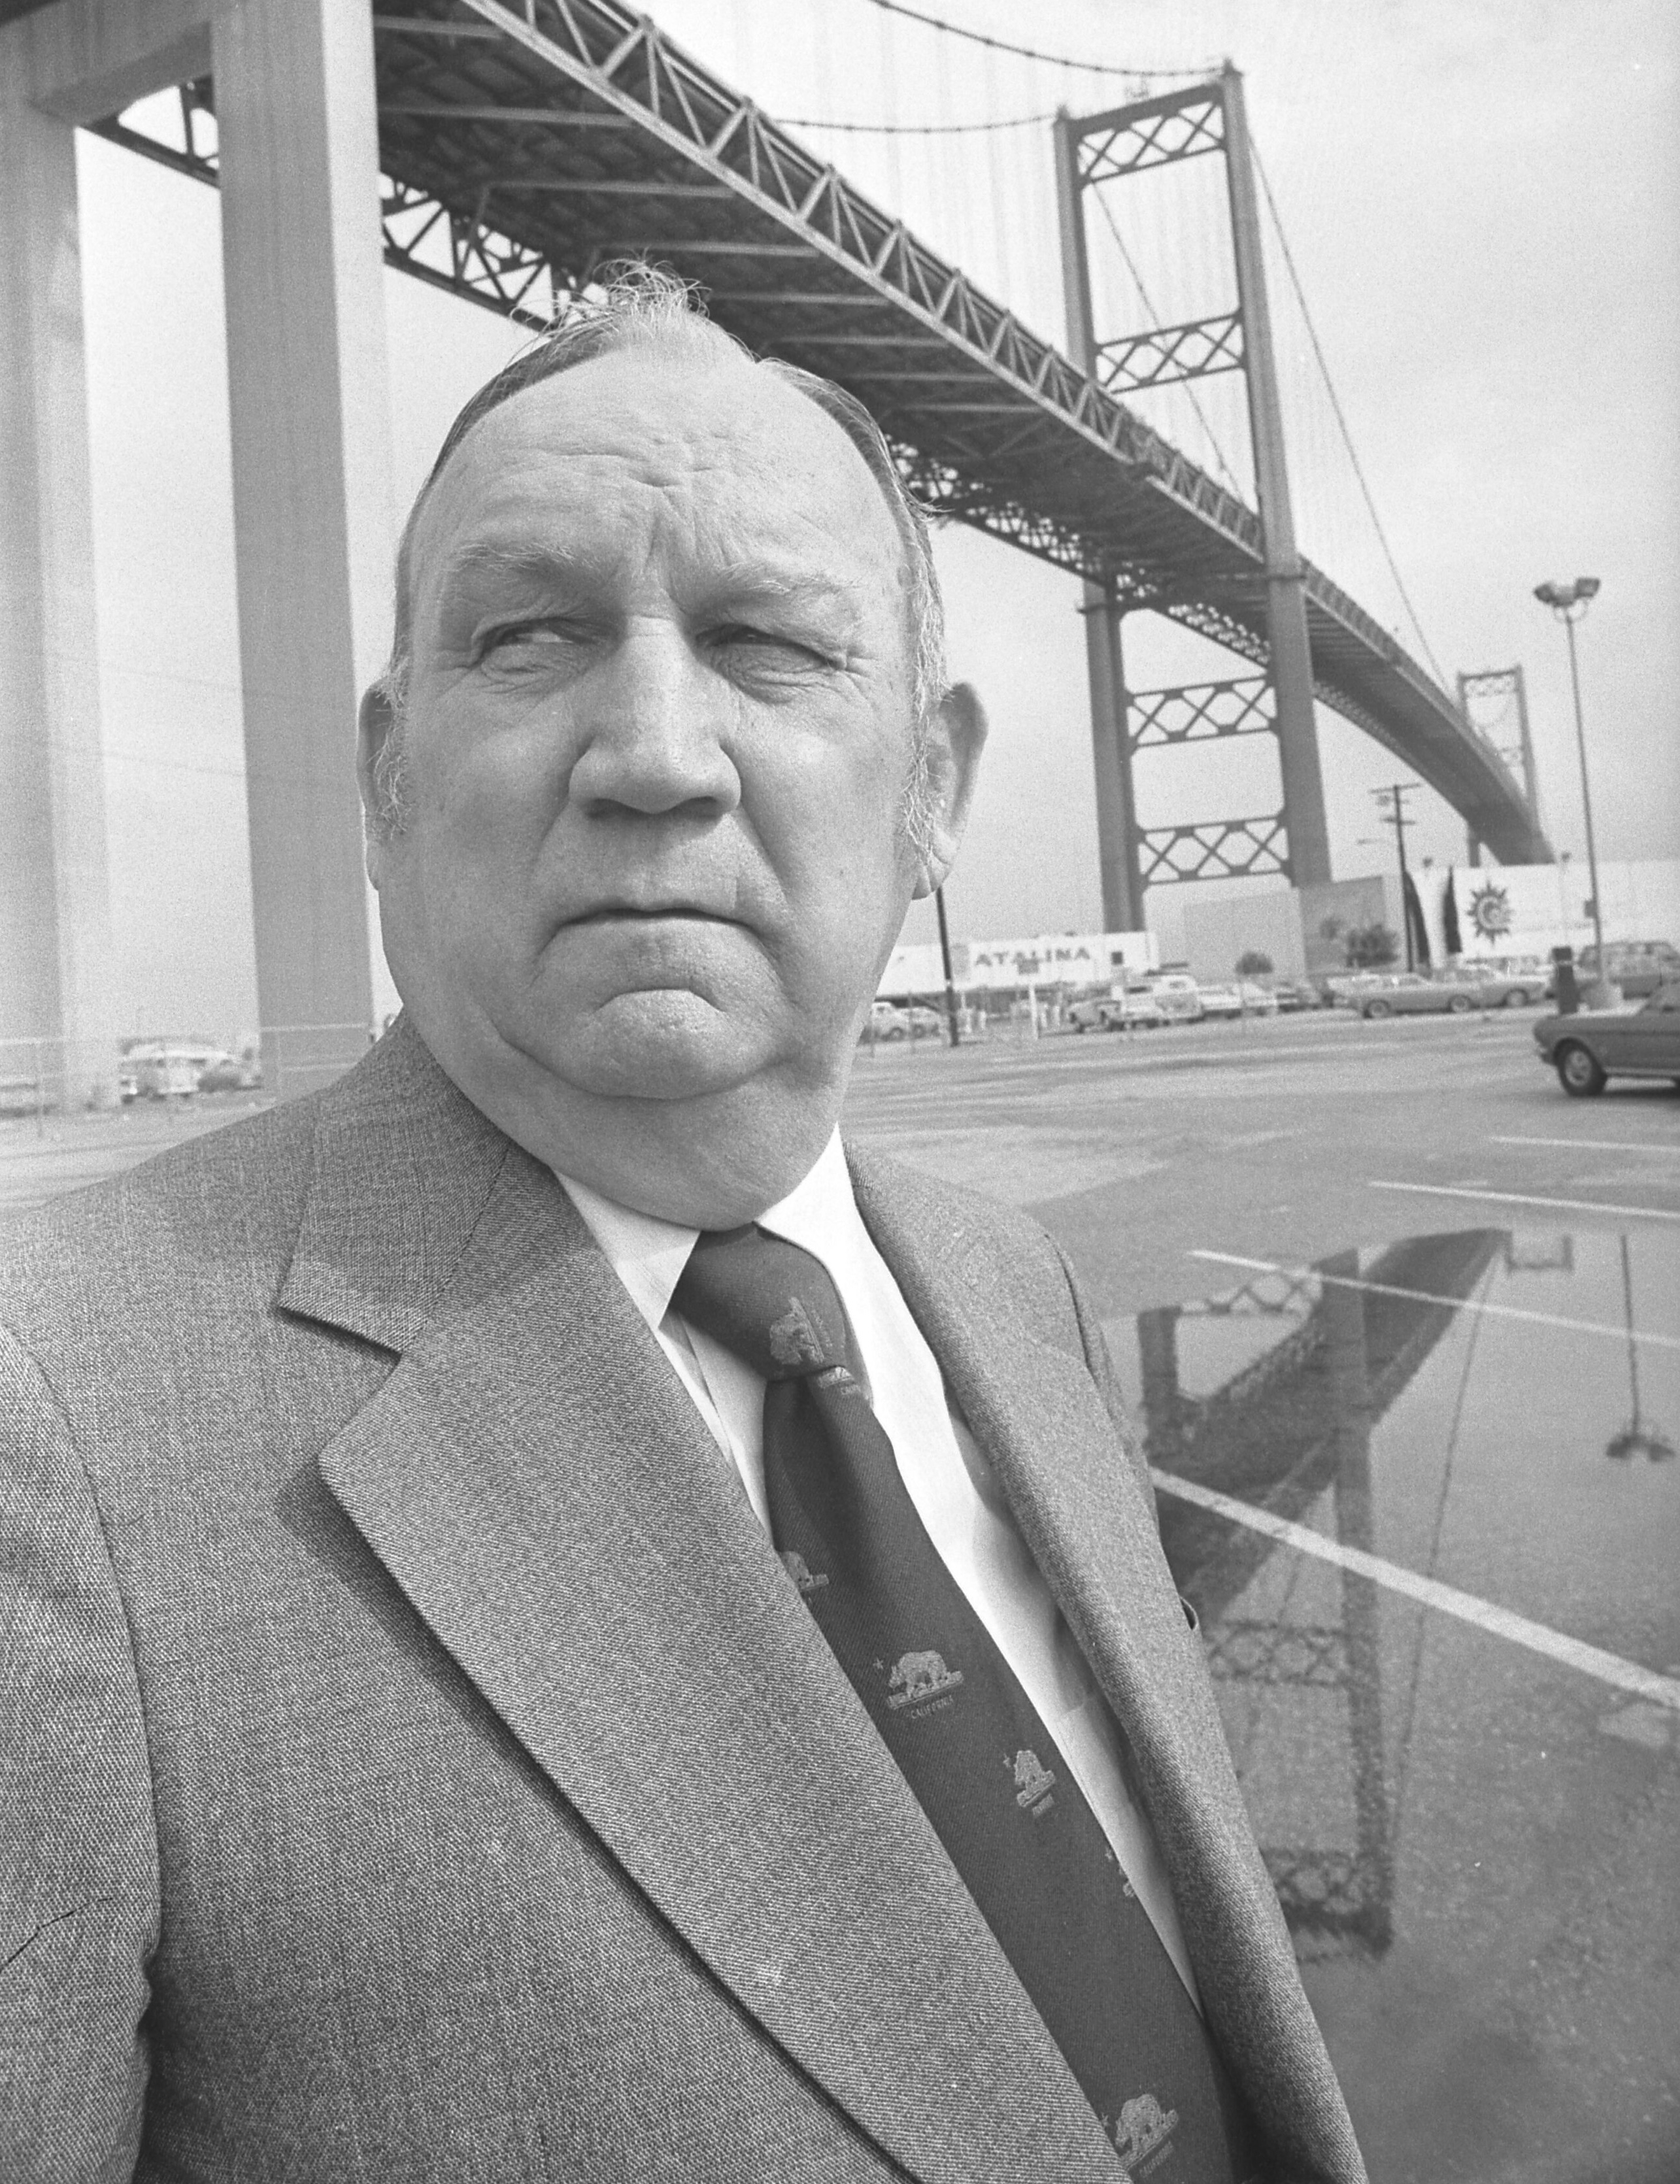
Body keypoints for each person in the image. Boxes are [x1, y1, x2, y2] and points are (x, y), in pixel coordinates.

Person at [1, 269, 1365, 2183]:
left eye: (766, 643)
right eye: (532, 635)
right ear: (391, 773)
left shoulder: (1006, 1285)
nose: (652, 750)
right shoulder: (51, 1417)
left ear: (936, 786)